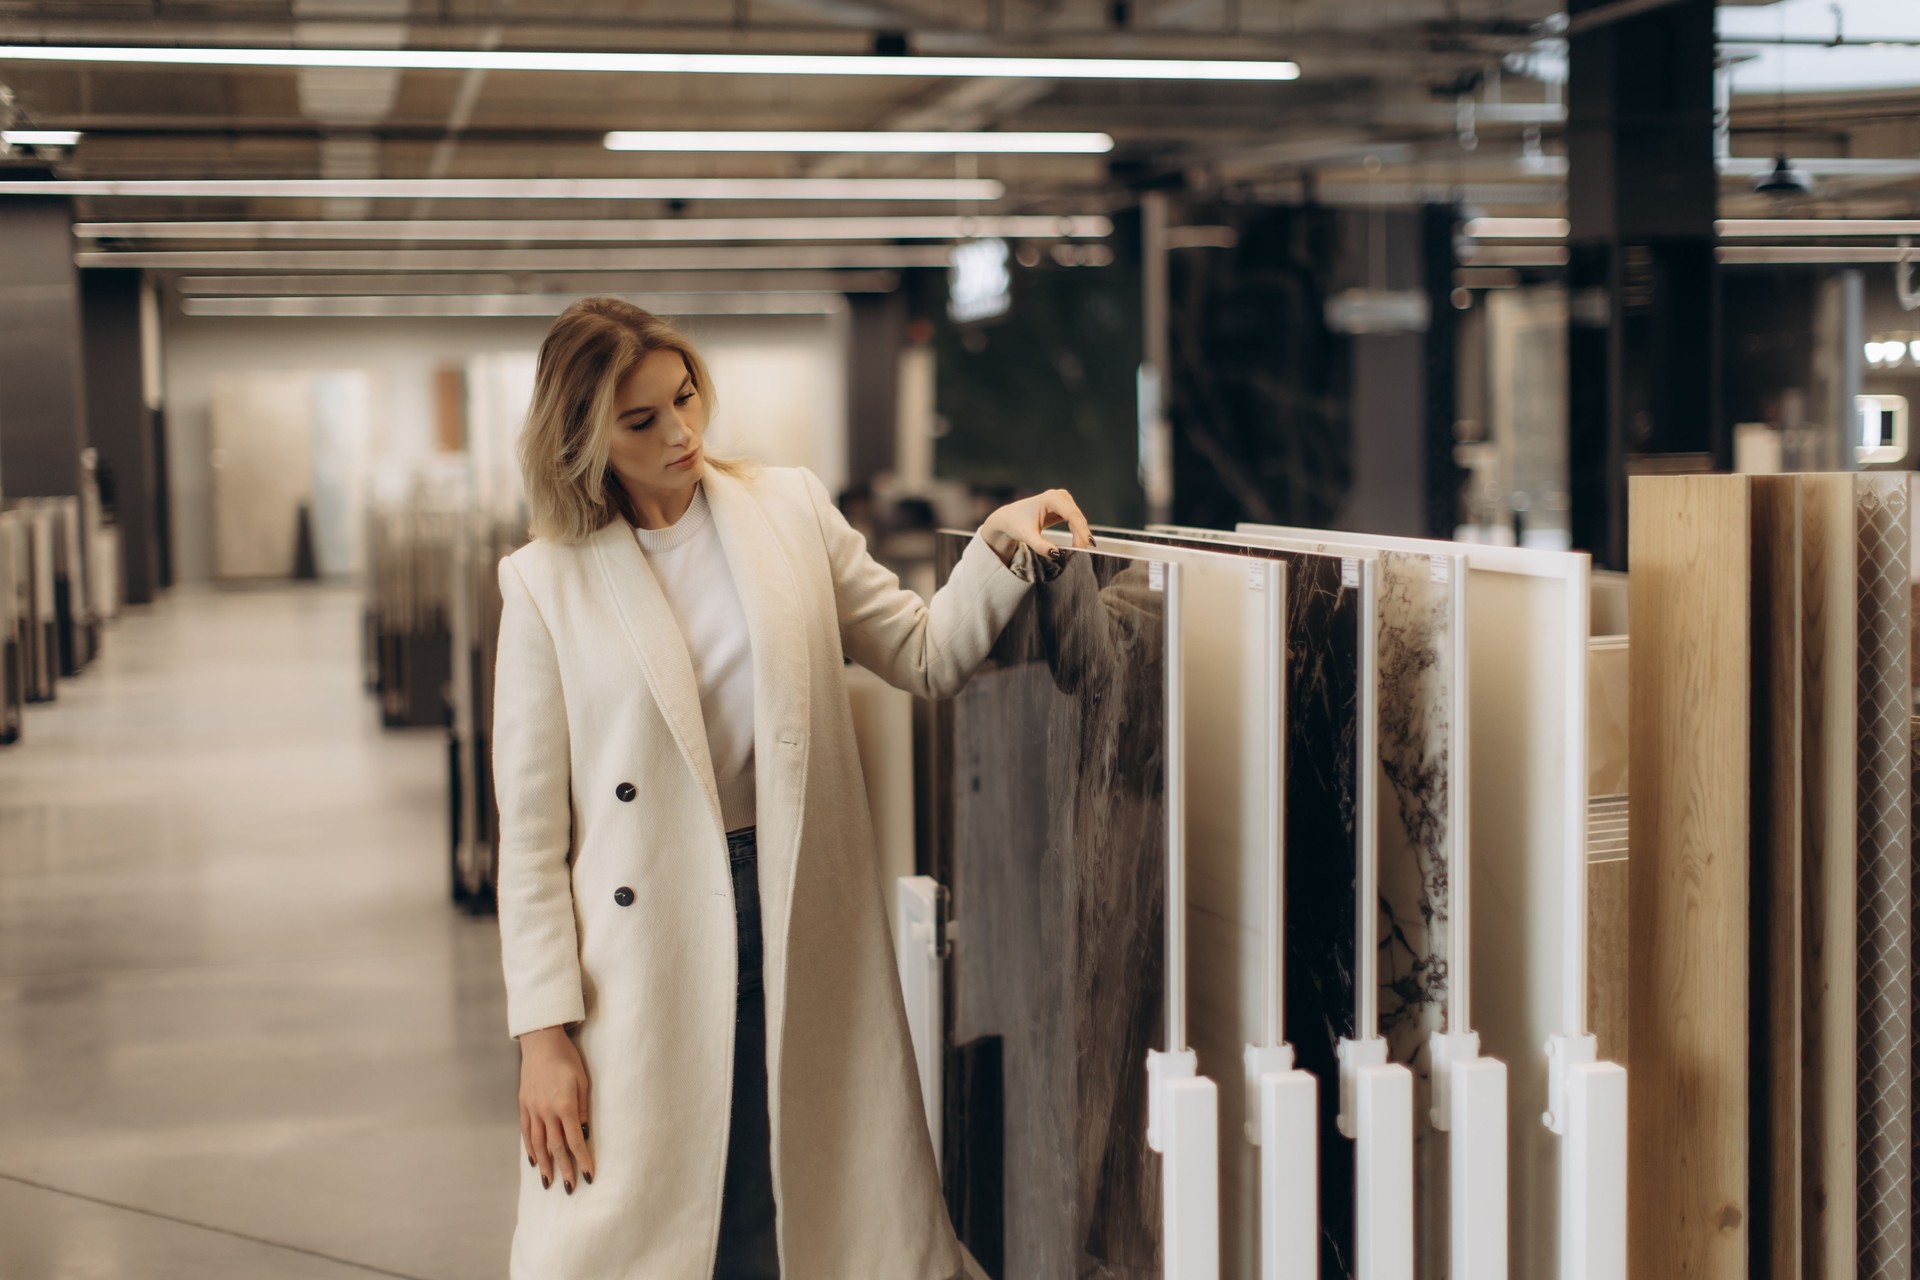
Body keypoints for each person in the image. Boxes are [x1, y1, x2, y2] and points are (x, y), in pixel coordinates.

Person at [493, 296, 1093, 1279]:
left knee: (803, 1192)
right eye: (641, 420)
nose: (680, 432)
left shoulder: (786, 508)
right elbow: (530, 838)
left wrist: (1000, 543)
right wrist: (542, 1035)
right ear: (582, 437)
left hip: (798, 892)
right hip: (642, 947)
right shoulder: (543, 583)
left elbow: (921, 651)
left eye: (684, 397)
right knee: (672, 1209)